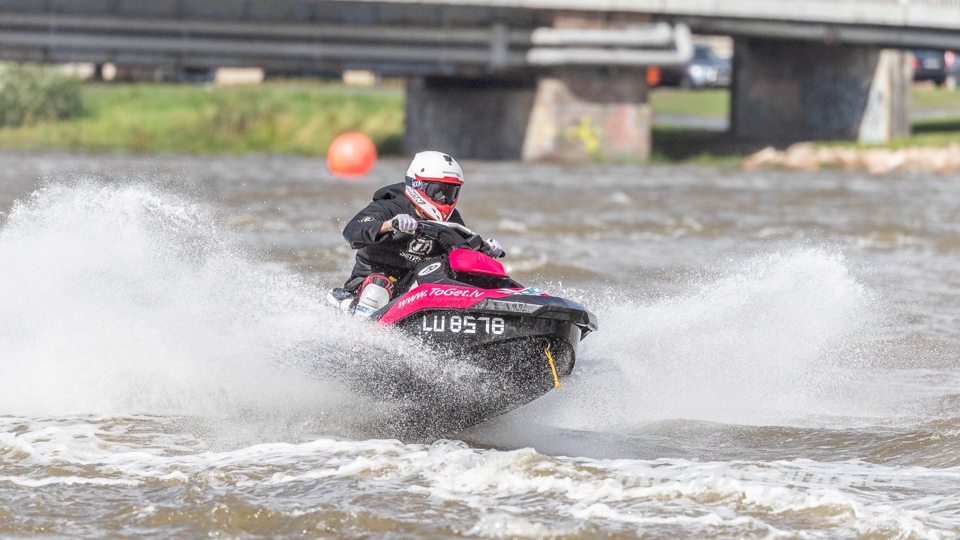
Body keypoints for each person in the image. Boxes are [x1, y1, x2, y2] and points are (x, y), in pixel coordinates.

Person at [332, 151, 503, 311]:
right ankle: (361, 333)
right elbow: (352, 230)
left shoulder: (452, 220)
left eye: (450, 192)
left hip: (404, 295)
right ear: (418, 185)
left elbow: (461, 252)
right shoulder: (389, 206)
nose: (445, 199)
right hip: (366, 287)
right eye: (438, 191)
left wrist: (484, 252)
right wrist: (390, 225)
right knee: (378, 288)